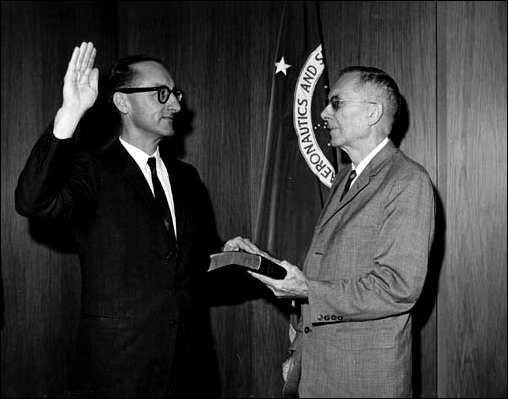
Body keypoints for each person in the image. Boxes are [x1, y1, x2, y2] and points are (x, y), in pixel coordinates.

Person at [15, 42, 221, 398]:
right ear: (123, 102)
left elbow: (196, 265)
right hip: (119, 373)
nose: (175, 104)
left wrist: (228, 255)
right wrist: (70, 113)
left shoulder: (187, 178)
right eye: (161, 94)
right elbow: (33, 201)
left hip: (188, 371)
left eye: (175, 93)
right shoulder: (92, 170)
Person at [224, 66, 435, 398]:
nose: (323, 113)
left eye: (336, 103)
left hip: (365, 381)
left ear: (372, 112)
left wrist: (307, 290)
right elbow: (331, 269)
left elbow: (399, 287)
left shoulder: (407, 181)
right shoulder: (343, 177)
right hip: (318, 373)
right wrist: (263, 263)